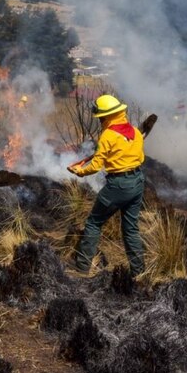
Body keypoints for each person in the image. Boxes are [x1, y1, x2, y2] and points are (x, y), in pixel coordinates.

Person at [67, 95, 146, 277]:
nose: (100, 120)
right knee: (131, 228)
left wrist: (80, 172)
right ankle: (139, 272)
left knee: (94, 223)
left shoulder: (108, 135)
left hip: (118, 185)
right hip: (137, 182)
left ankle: (82, 268)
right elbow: (140, 158)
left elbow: (96, 165)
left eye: (102, 117)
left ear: (109, 116)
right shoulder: (134, 132)